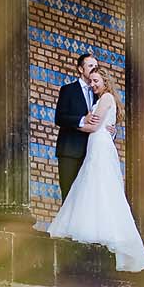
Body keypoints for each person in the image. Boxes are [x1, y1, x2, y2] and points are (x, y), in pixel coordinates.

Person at [47, 67, 144, 272]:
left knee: (99, 184)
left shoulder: (106, 98)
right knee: (93, 184)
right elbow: (101, 123)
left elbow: (93, 126)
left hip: (99, 144)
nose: (93, 84)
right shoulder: (104, 99)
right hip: (97, 143)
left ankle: (100, 229)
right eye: (91, 81)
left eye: (96, 81)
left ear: (105, 81)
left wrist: (75, 125)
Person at [53, 52, 99, 201]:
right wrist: (82, 120)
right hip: (69, 151)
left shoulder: (98, 94)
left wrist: (111, 131)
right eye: (90, 65)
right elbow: (60, 118)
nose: (94, 68)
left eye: (96, 66)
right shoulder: (68, 90)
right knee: (68, 196)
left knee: (85, 200)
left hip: (90, 153)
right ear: (80, 69)